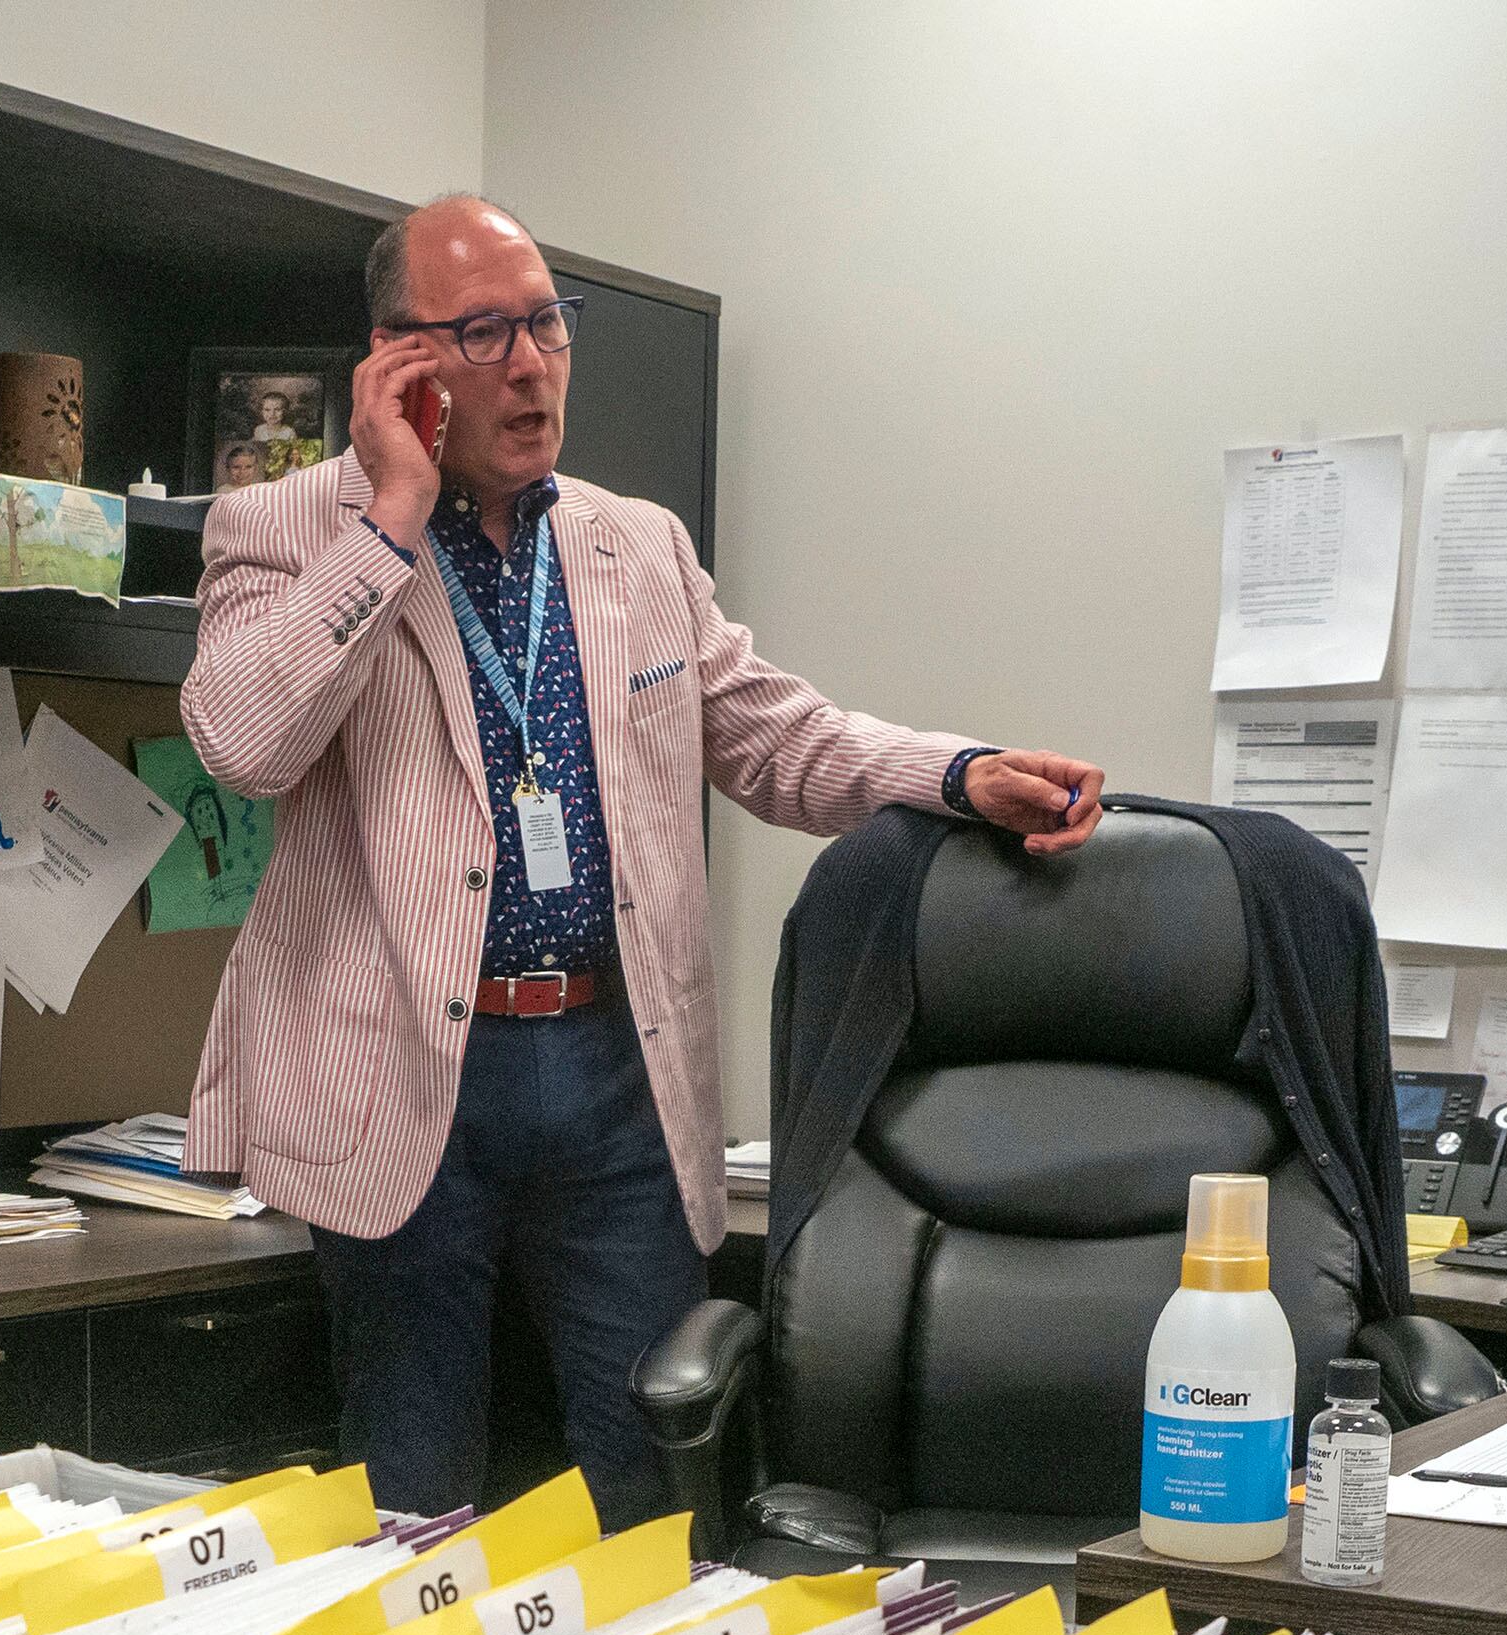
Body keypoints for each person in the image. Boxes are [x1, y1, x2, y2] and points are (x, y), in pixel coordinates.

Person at [177, 194, 1105, 1525]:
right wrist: (391, 514)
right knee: (408, 1502)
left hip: (613, 1071)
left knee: (656, 1493)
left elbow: (783, 739)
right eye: (484, 332)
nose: (531, 363)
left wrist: (958, 773)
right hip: (399, 1079)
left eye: (546, 324)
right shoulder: (281, 532)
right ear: (395, 363)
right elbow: (243, 743)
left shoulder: (636, 545)